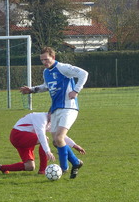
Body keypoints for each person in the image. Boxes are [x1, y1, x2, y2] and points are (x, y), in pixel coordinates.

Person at [20, 47, 89, 179]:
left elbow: (84, 74)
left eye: (46, 59)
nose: (44, 62)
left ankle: (63, 169)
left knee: (59, 138)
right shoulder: (46, 72)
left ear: (53, 57)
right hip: (55, 109)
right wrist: (32, 90)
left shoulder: (63, 68)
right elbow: (47, 86)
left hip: (69, 108)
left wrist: (76, 90)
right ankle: (75, 162)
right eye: (42, 60)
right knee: (56, 142)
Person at [0, 112, 85, 175]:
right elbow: (41, 135)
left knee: (30, 167)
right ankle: (42, 170)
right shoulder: (41, 118)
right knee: (45, 138)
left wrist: (74, 145)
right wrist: (48, 151)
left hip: (26, 139)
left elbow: (60, 136)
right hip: (18, 135)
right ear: (50, 113)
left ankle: (3, 168)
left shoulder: (50, 122)